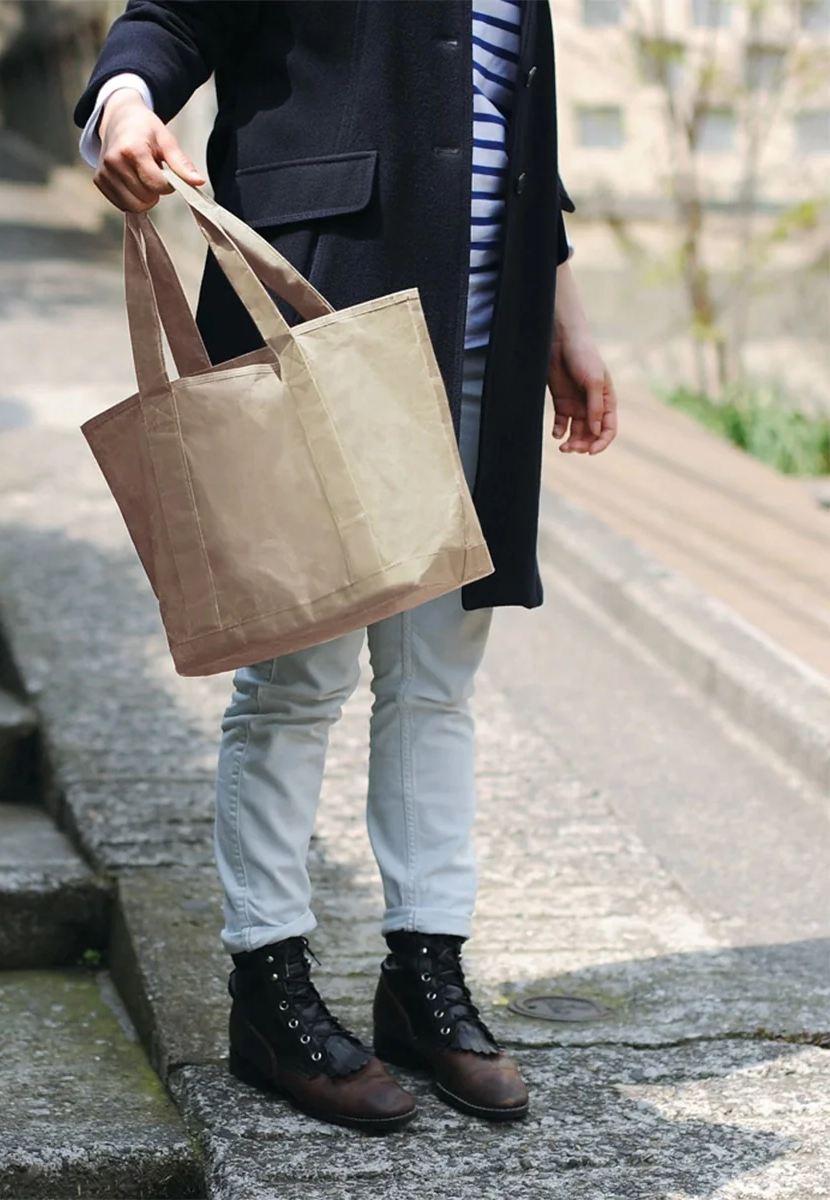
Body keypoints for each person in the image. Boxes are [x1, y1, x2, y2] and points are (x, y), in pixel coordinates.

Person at [75, 0, 617, 1134]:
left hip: (485, 335)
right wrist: (123, 100)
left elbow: (516, 123)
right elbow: (170, 19)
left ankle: (425, 976)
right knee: (299, 677)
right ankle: (271, 993)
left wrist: (563, 307)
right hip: (322, 310)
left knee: (438, 678)